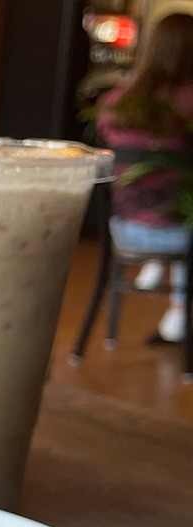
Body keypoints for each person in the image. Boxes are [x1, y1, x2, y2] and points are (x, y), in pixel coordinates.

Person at [98, 13, 193, 344]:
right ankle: (179, 315)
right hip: (180, 234)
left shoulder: (114, 102)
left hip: (125, 228)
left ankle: (153, 266)